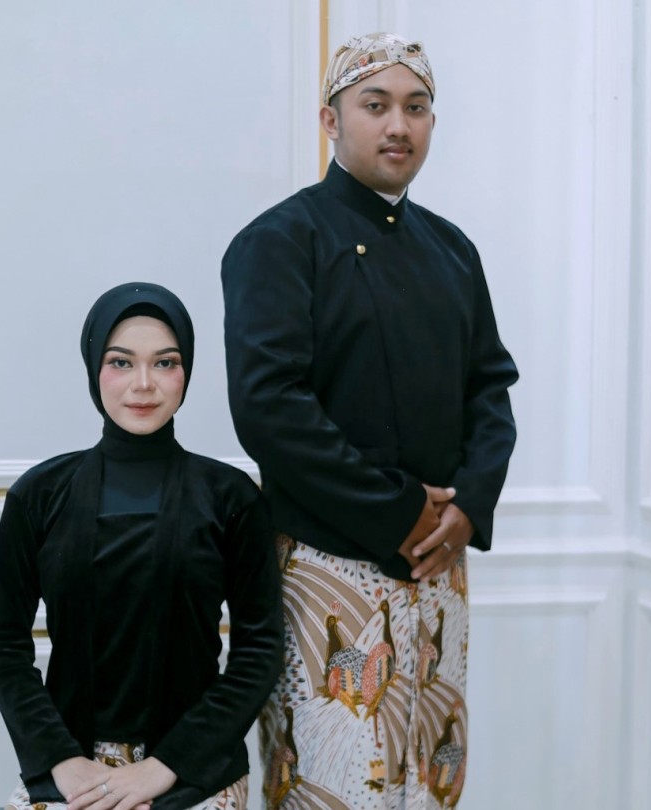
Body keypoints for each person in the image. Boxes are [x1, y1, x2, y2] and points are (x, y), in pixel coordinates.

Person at [221, 33, 518, 809]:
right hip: (326, 571)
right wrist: (399, 509)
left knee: (431, 784)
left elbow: (490, 388)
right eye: (375, 105)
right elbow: (269, 406)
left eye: (416, 108)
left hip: (439, 566)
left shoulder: (452, 249)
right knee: (333, 789)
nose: (398, 125)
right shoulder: (278, 241)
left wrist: (468, 506)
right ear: (331, 119)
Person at [0, 282, 284, 810]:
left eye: (165, 363)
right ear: (93, 368)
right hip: (72, 769)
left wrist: (162, 768)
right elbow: (4, 647)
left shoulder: (231, 498)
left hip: (193, 769)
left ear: (186, 371)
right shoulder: (38, 495)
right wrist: (62, 761)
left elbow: (259, 652)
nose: (143, 384)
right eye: (121, 362)